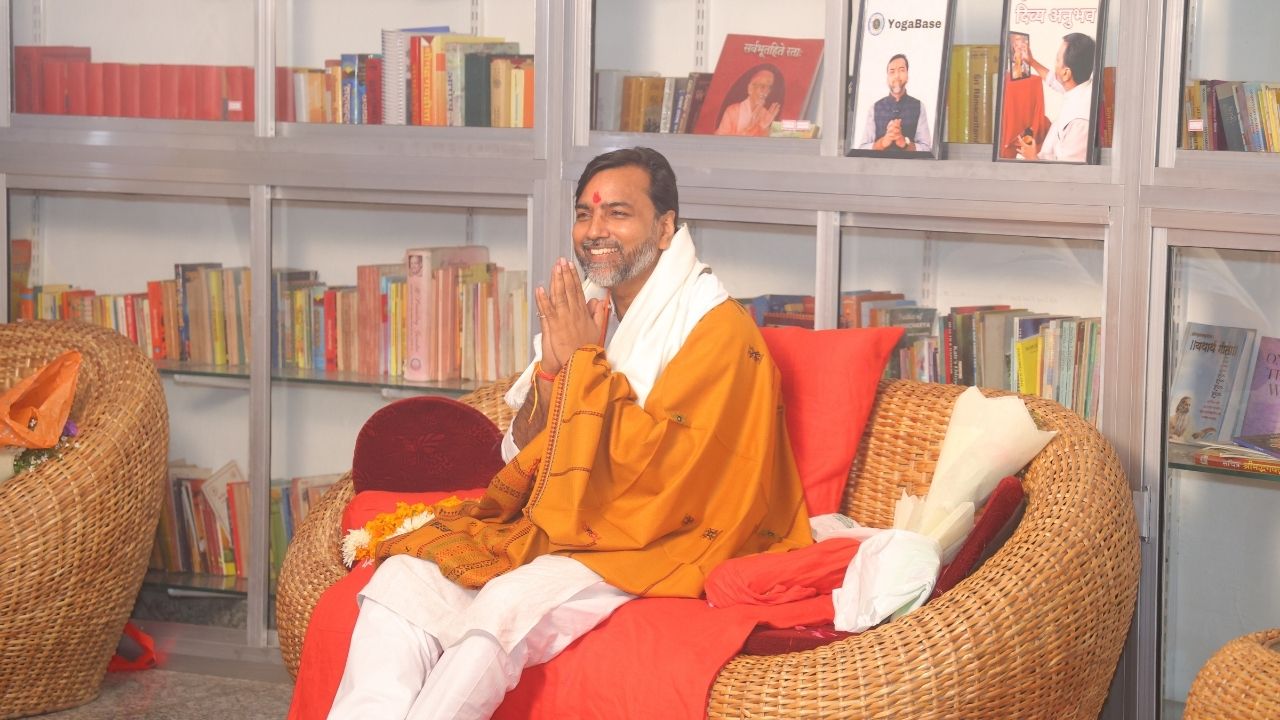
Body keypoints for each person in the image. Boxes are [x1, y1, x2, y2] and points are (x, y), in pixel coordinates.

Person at [327, 147, 811, 720]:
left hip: (652, 540)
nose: (594, 230)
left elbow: (672, 478)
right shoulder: (590, 308)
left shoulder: (719, 331)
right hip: (567, 522)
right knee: (406, 577)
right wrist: (556, 374)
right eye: (584, 214)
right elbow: (526, 450)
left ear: (665, 228)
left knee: (506, 604)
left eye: (617, 213)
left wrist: (585, 363)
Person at [1016, 32, 1096, 162]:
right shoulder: (1081, 88)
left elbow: (1068, 172)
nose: (1055, 64)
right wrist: (1032, 62)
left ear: (1066, 73)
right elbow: (1054, 80)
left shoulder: (1079, 122)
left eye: (1057, 60)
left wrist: (1033, 158)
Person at [856, 53, 932, 153]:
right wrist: (883, 142)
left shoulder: (919, 106)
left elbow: (927, 149)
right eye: (892, 72)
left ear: (907, 75)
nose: (896, 76)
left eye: (901, 70)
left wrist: (904, 143)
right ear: (887, 78)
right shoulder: (874, 108)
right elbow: (862, 148)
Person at [714, 65, 784, 137]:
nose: (766, 92)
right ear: (750, 88)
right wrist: (754, 126)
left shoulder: (766, 115)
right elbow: (720, 140)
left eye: (769, 87)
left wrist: (765, 127)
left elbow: (766, 141)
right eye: (762, 86)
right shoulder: (733, 111)